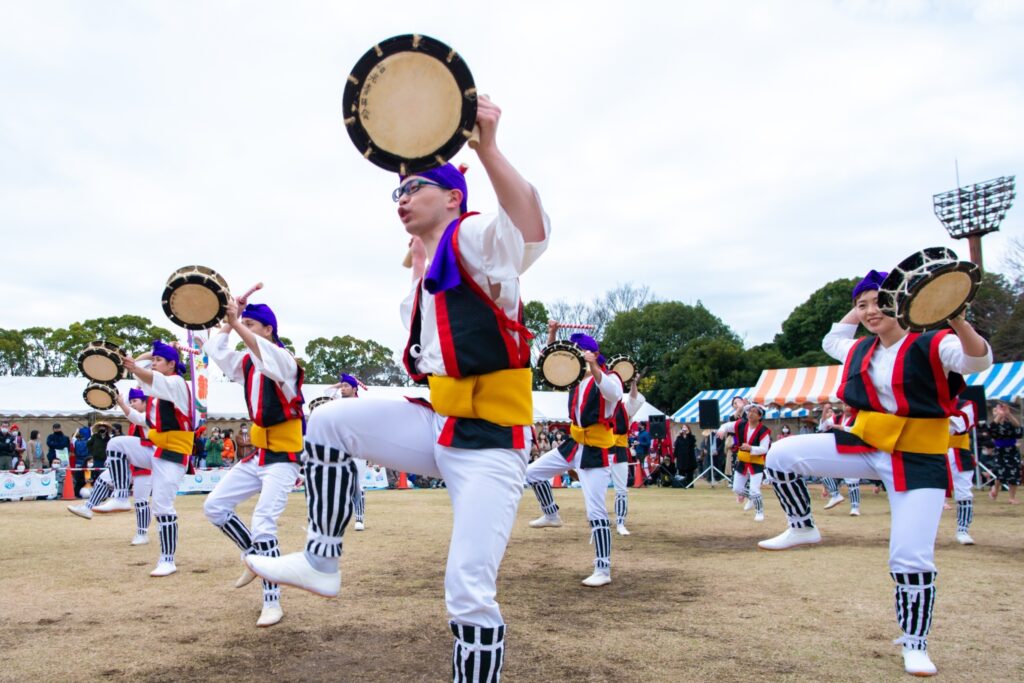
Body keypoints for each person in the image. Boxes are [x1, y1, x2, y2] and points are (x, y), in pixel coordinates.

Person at [246, 96, 549, 680]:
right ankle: (321, 561)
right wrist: (418, 265)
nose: (402, 200)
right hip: (441, 423)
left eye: (415, 189)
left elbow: (531, 226)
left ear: (453, 197)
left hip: (492, 440)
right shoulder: (421, 279)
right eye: (397, 193)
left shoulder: (476, 238)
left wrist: (486, 147)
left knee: (467, 588)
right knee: (331, 420)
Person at [758, 269, 991, 676]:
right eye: (862, 305)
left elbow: (977, 360)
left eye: (881, 302)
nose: (870, 311)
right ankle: (803, 526)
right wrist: (860, 304)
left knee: (910, 556)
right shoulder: (861, 349)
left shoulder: (934, 342)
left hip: (918, 457)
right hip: (868, 444)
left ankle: (915, 644)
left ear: (903, 303)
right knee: (781, 454)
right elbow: (832, 340)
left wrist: (952, 312)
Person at [203, 299, 305, 628]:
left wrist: (237, 323)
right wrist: (225, 325)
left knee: (264, 522)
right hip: (259, 453)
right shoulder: (246, 362)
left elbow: (266, 358)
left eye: (251, 324)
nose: (243, 328)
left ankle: (272, 601)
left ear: (268, 330)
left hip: (284, 457)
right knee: (215, 507)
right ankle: (252, 555)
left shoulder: (284, 360)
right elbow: (218, 353)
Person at [525, 331, 623, 585]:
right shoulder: (574, 379)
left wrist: (593, 364)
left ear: (589, 353)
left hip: (595, 449)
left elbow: (614, 395)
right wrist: (551, 334)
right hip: (574, 443)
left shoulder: (609, 377)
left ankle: (603, 569)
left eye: (575, 351)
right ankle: (551, 514)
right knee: (531, 473)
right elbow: (550, 366)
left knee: (596, 511)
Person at [119, 342, 195, 577]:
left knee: (162, 505)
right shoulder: (157, 396)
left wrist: (134, 365)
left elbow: (142, 371)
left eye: (159, 360)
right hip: (157, 450)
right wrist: (122, 403)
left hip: (174, 452)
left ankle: (167, 559)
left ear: (172, 364)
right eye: (154, 360)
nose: (152, 363)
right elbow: (143, 420)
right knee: (116, 444)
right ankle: (120, 496)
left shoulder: (177, 383)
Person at [68, 388, 155, 546]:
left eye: (135, 401)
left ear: (145, 402)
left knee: (141, 501)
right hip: (129, 463)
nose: (133, 404)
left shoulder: (150, 415)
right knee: (103, 478)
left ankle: (142, 533)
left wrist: (122, 404)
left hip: (146, 465)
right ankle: (89, 506)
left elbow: (137, 419)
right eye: (131, 402)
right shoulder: (136, 421)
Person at [325, 373, 367, 530]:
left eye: (346, 386)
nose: (342, 389)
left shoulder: (361, 405)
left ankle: (359, 518)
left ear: (355, 389)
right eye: (341, 386)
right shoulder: (337, 403)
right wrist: (338, 384)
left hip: (357, 450)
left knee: (358, 485)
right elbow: (326, 393)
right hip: (340, 449)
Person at [717, 404, 771, 521]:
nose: (750, 414)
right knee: (737, 488)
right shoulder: (741, 424)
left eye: (754, 412)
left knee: (755, 489)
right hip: (742, 461)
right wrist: (721, 430)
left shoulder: (763, 431)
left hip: (756, 463)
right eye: (749, 411)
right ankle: (751, 498)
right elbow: (726, 426)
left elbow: (764, 448)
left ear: (760, 416)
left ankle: (759, 511)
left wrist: (751, 448)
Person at [609, 375, 646, 534]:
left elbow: (633, 396)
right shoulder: (598, 405)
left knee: (621, 489)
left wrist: (633, 383)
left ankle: (620, 522)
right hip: (600, 448)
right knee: (595, 488)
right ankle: (597, 518)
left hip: (618, 449)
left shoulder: (624, 408)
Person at [947, 398, 978, 544]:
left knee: (964, 493)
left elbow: (959, 426)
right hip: (933, 452)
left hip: (960, 453)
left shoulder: (965, 404)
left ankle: (963, 529)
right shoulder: (930, 399)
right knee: (930, 493)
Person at [987, 401, 1021, 504]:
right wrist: (999, 415)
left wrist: (1008, 414)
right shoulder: (995, 423)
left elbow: (1018, 427)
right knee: (1000, 473)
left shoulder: (1010, 422)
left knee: (1014, 473)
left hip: (1012, 450)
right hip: (1000, 451)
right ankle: (995, 489)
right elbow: (992, 430)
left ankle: (1012, 497)